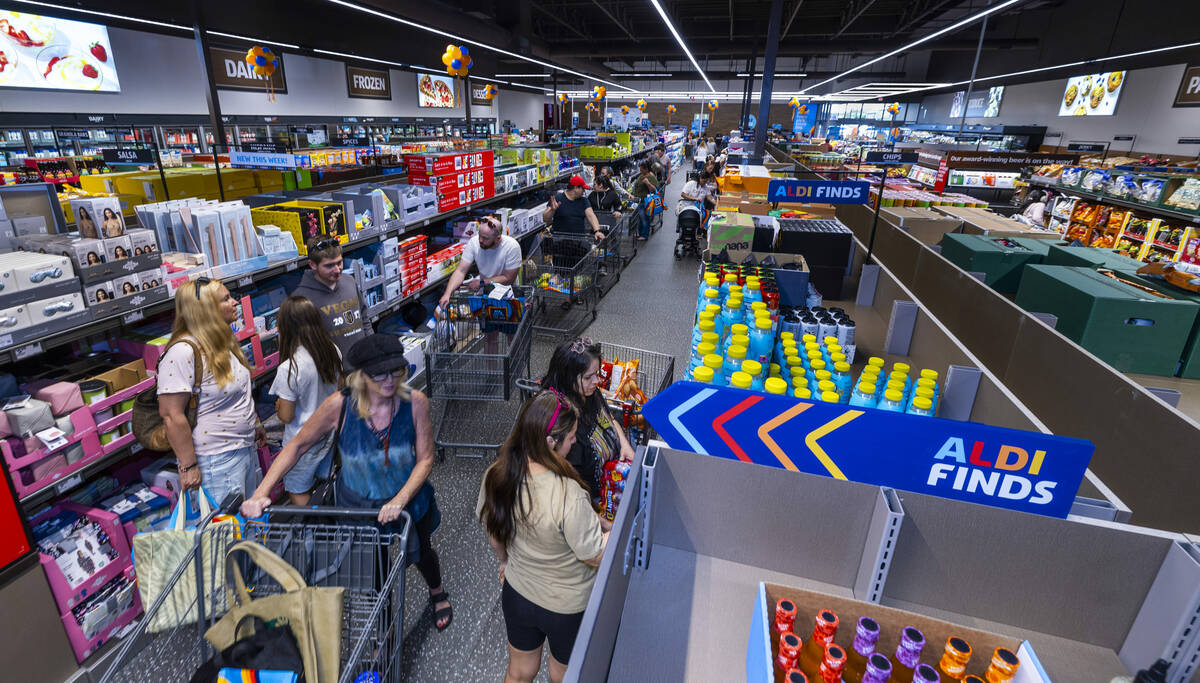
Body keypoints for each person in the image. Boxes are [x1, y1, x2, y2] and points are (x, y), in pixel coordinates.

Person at [243, 334, 453, 631]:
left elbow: (426, 459)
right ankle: (385, 632)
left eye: (396, 371)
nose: (390, 380)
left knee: (423, 553)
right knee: (374, 573)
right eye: (380, 374)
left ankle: (437, 591)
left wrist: (400, 500)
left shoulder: (415, 402)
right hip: (359, 507)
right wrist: (261, 492)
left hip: (408, 500)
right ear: (361, 375)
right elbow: (297, 445)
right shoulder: (339, 406)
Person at [477, 391, 609, 683]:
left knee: (519, 672)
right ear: (550, 442)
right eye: (571, 437)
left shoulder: (498, 475)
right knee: (561, 674)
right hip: (566, 607)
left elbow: (495, 535)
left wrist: (505, 563)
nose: (574, 442)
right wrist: (617, 530)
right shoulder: (567, 494)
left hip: (518, 594)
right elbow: (594, 555)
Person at [159, 278, 265, 506]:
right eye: (226, 299)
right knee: (225, 526)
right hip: (216, 461)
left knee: (246, 521)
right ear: (205, 309)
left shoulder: (220, 341)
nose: (235, 302)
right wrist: (188, 466)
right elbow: (171, 414)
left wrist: (254, 423)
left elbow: (240, 391)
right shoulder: (182, 352)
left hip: (243, 449)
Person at [540, 337, 636, 502]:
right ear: (568, 377)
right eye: (588, 377)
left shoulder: (589, 393)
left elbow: (609, 418)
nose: (596, 381)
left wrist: (625, 444)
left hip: (616, 471)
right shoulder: (565, 420)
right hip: (597, 497)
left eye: (596, 374)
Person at [269, 296, 344, 505]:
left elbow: (286, 416)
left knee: (298, 490)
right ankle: (333, 518)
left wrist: (279, 406)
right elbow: (340, 389)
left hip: (302, 442)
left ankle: (314, 525)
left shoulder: (289, 367)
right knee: (326, 480)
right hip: (328, 433)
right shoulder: (332, 350)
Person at [292, 235, 369, 366]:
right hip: (333, 373)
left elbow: (364, 318)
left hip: (364, 364)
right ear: (312, 265)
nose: (337, 270)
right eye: (329, 266)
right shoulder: (301, 299)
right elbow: (303, 347)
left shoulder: (349, 281)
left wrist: (372, 350)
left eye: (339, 263)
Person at [438, 217, 522, 310]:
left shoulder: (512, 247)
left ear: (498, 238)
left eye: (485, 238)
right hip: (486, 291)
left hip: (508, 294)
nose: (480, 240)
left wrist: (482, 282)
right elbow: (460, 271)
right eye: (479, 236)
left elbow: (508, 278)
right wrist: (447, 294)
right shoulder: (474, 243)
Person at [542, 175, 604, 241]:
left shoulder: (584, 201)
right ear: (576, 188)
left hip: (579, 241)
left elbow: (591, 215)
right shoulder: (557, 199)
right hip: (560, 241)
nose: (584, 191)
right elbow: (545, 218)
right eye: (583, 189)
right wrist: (552, 210)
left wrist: (597, 231)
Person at [630, 161, 659, 241]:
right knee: (640, 218)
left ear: (646, 169)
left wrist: (648, 183)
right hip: (639, 200)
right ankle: (640, 233)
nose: (640, 171)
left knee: (644, 218)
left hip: (645, 201)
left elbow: (654, 189)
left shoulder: (651, 177)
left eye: (641, 169)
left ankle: (644, 235)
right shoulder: (642, 175)